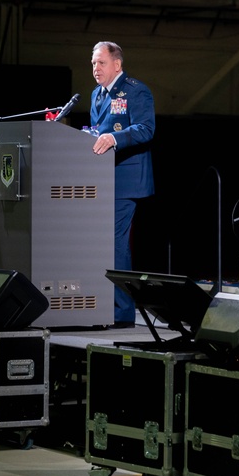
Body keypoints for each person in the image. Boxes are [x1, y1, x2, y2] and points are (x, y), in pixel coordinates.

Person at [89, 41, 156, 327]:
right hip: (102, 180)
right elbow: (96, 131)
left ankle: (122, 312)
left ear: (116, 64)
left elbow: (146, 128)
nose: (95, 69)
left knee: (116, 244)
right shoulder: (95, 95)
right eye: (93, 63)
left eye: (101, 63)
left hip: (127, 181)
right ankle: (103, 305)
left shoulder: (135, 90)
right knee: (99, 243)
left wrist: (115, 138)